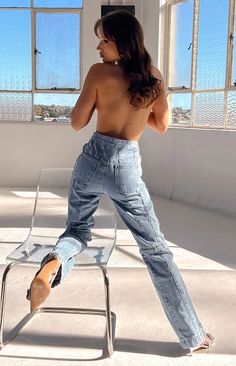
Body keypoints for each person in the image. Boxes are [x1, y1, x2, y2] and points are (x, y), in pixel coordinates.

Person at [28, 10, 214, 353]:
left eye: (104, 40)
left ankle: (53, 265)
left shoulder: (98, 73)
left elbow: (76, 123)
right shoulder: (154, 78)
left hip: (91, 160)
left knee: (77, 232)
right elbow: (161, 125)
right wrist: (145, 103)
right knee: (155, 250)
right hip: (126, 165)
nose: (98, 47)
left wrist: (100, 101)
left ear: (122, 42)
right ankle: (192, 335)